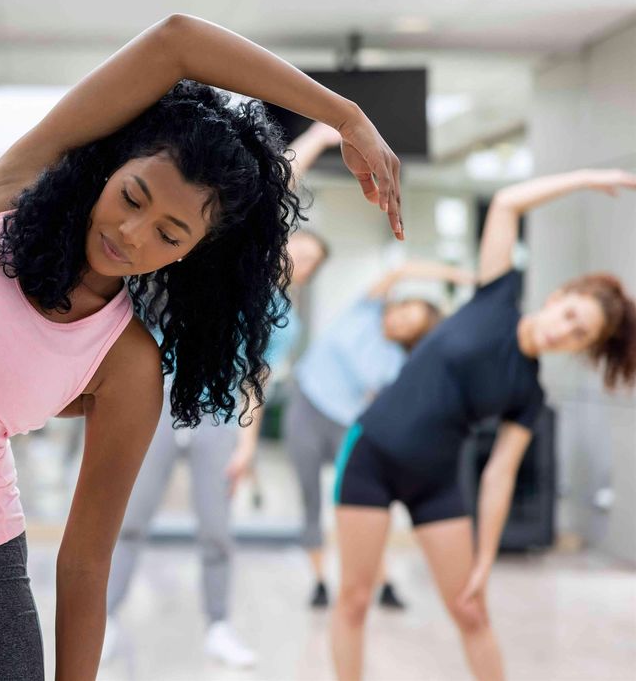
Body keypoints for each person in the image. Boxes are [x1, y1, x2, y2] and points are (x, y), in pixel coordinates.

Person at [0, 13, 404, 681]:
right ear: (110, 166)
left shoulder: (128, 364)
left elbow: (88, 559)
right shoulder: (2, 192)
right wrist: (344, 113)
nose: (133, 231)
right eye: (133, 195)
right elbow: (176, 40)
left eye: (170, 232)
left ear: (190, 256)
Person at [330, 169, 636, 681]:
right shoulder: (497, 294)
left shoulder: (529, 395)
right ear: (558, 297)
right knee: (356, 599)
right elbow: (508, 204)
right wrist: (587, 178)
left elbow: (498, 476)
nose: (565, 332)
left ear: (584, 348)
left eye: (580, 334)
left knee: (472, 611)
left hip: (435, 482)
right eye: (570, 316)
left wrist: (484, 560)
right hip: (372, 455)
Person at [100, 123, 336, 669]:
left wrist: (248, 447)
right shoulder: (228, 267)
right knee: (129, 520)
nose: (297, 260)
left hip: (217, 416)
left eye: (310, 262)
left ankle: (219, 625)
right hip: (153, 403)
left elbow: (255, 380)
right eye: (295, 247)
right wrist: (320, 139)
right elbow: (272, 191)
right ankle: (106, 617)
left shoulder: (282, 321)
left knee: (216, 530)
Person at [289, 260, 474, 610]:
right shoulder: (365, 311)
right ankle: (318, 582)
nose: (398, 319)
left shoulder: (397, 364)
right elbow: (401, 271)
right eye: (402, 310)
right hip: (306, 407)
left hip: (346, 424)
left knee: (356, 502)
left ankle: (383, 581)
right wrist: (455, 276)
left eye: (408, 323)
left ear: (414, 337)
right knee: (310, 498)